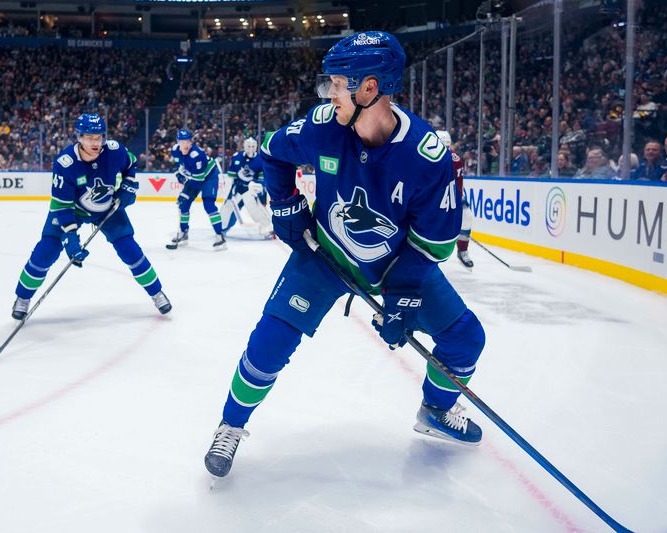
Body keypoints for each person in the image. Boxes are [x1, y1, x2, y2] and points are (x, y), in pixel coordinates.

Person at [203, 31, 486, 479]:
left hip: (395, 267)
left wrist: (405, 294)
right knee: (269, 342)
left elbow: (434, 243)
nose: (329, 92)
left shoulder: (426, 157)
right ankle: (231, 425)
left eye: (337, 83)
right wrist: (284, 205)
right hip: (324, 254)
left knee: (467, 339)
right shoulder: (322, 127)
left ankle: (436, 409)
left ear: (369, 88)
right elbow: (274, 153)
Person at [11, 113, 171, 320]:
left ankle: (157, 293)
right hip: (72, 210)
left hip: (107, 207)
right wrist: (69, 236)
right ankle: (22, 298)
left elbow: (131, 163)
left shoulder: (114, 151)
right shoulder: (65, 163)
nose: (96, 142)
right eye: (90, 137)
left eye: (99, 137)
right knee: (45, 252)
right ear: (79, 137)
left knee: (129, 250)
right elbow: (62, 204)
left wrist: (129, 185)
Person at [166, 129, 227, 251]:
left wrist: (185, 193)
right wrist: (178, 173)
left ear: (191, 141)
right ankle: (184, 233)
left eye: (187, 141)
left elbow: (198, 180)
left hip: (209, 177)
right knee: (184, 206)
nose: (185, 144)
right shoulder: (175, 150)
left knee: (209, 205)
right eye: (182, 141)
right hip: (196, 177)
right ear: (178, 142)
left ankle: (220, 236)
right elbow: (177, 164)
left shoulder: (196, 155)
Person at [220, 137, 273, 236]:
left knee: (254, 208)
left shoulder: (260, 160)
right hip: (238, 188)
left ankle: (266, 227)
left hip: (252, 189)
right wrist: (229, 191)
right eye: (248, 146)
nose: (251, 148)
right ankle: (222, 227)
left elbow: (262, 181)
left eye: (253, 146)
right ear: (244, 146)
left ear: (256, 146)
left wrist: (260, 191)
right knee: (228, 207)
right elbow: (231, 177)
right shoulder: (237, 157)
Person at [436, 130, 473, 269]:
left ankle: (463, 250)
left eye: (446, 147)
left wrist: (456, 200)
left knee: (467, 216)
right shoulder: (424, 158)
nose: (444, 151)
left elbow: (458, 184)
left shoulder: (455, 159)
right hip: (428, 199)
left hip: (450, 197)